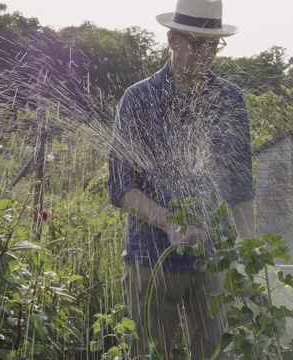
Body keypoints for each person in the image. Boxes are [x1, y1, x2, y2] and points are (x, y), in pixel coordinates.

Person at [107, 0, 257, 358]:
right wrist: (170, 223)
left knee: (216, 353)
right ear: (172, 39)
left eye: (213, 46)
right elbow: (120, 187)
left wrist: (250, 257)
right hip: (150, 260)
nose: (205, 54)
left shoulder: (229, 100)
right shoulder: (139, 99)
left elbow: (241, 187)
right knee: (149, 352)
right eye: (196, 44)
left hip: (213, 260)